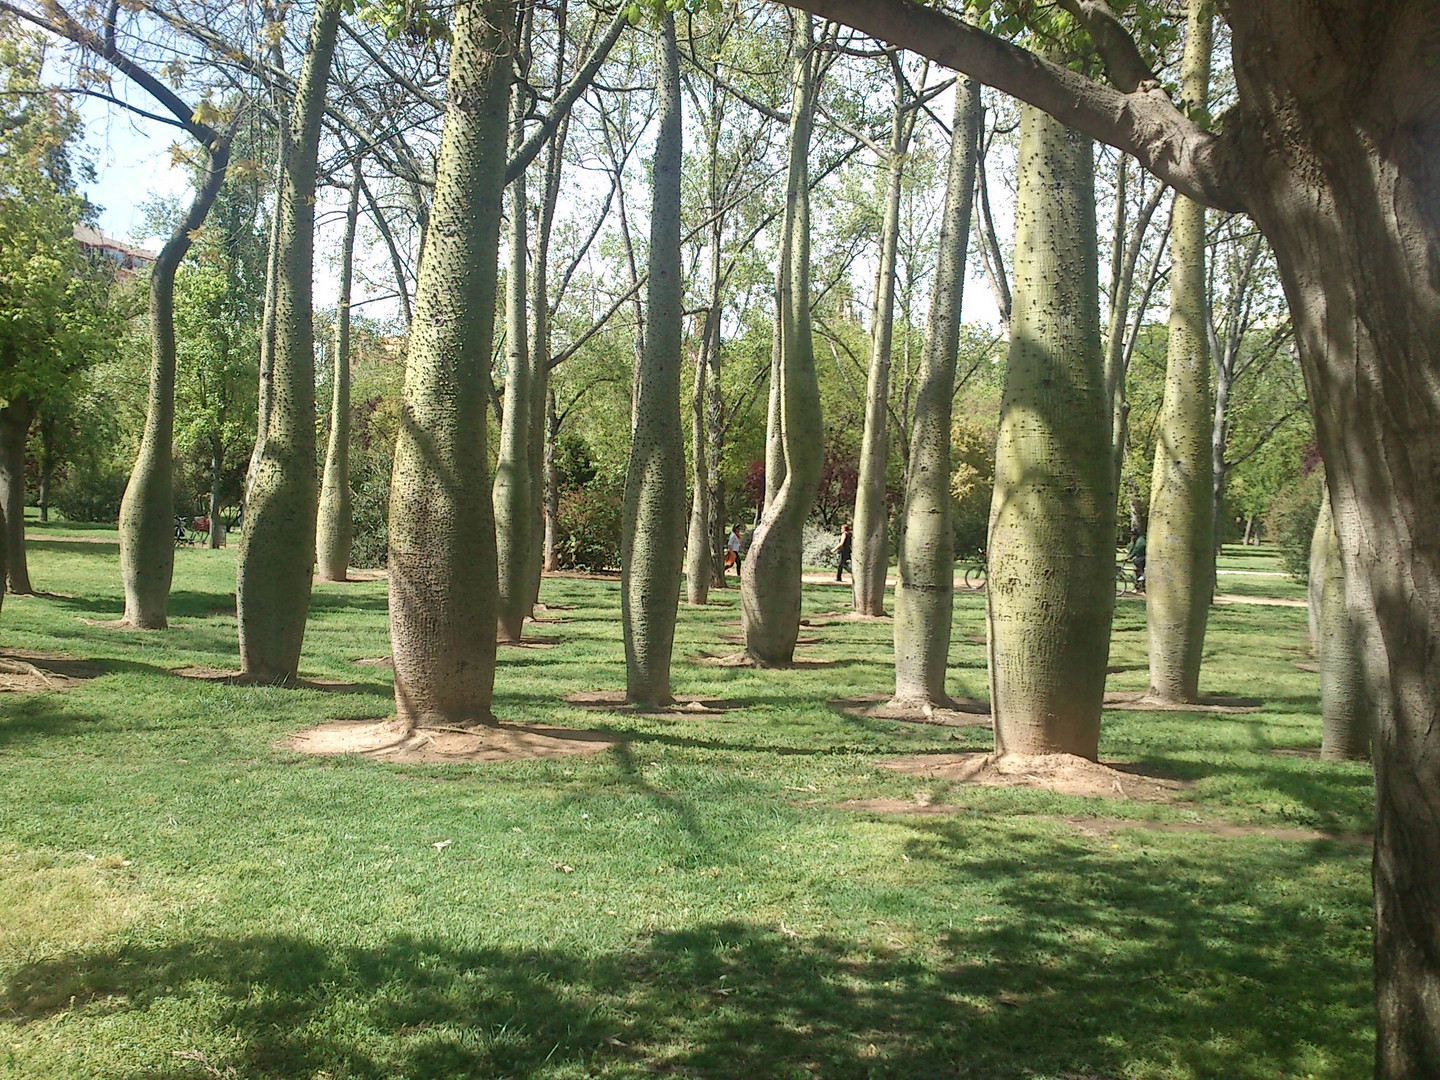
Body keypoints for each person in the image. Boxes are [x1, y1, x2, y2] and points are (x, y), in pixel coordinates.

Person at [1126, 527, 1147, 592]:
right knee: (1136, 571)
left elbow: (1136, 549)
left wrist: (1129, 557)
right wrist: (1127, 556)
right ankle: (1138, 587)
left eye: (1132, 534)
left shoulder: (1141, 540)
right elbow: (1130, 548)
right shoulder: (1135, 540)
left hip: (1144, 556)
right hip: (1140, 557)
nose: (1131, 536)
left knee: (1136, 561)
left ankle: (1143, 575)